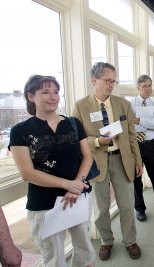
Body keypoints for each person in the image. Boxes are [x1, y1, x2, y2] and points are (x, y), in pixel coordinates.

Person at [9, 75, 95, 266]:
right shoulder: (20, 131)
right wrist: (69, 185)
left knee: (85, 251)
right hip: (45, 204)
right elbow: (27, 173)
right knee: (54, 258)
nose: (53, 97)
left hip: (78, 196)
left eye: (56, 92)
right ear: (31, 97)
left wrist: (77, 185)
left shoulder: (73, 123)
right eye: (45, 92)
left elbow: (88, 157)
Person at [73, 62, 143, 261]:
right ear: (94, 80)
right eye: (107, 81)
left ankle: (130, 241)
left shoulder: (123, 104)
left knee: (127, 205)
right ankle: (106, 241)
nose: (111, 85)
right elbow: (76, 139)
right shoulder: (81, 106)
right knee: (101, 208)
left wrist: (138, 160)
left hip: (122, 160)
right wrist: (96, 141)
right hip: (97, 164)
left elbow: (131, 135)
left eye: (114, 81)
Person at [130, 75, 154, 222]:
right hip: (135, 146)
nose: (148, 89)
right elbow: (129, 125)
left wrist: (139, 120)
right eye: (144, 86)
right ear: (138, 88)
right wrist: (147, 122)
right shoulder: (130, 104)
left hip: (151, 145)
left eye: (150, 85)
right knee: (136, 179)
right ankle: (140, 209)